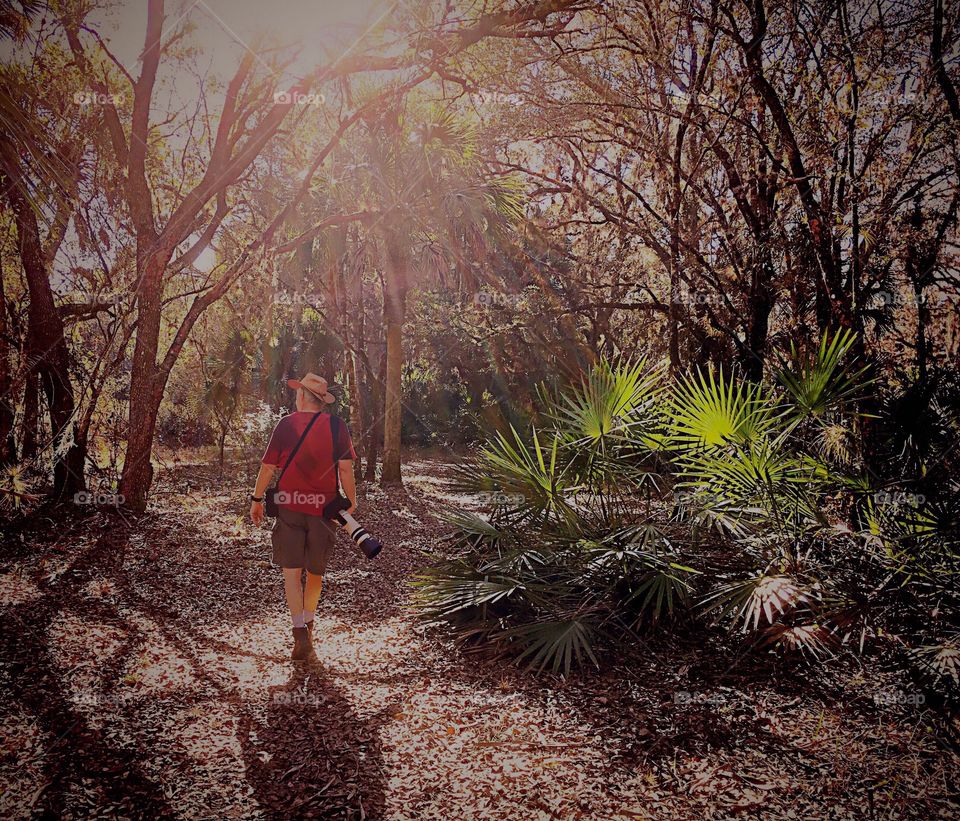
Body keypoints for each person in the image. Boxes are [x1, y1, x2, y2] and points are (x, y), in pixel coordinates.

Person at [249, 373, 357, 661]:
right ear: (321, 402)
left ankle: (299, 633)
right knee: (316, 572)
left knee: (291, 572)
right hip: (325, 510)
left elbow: (269, 467)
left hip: (290, 508)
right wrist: (352, 500)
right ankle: (309, 624)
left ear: (300, 397)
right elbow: (345, 469)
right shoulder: (337, 426)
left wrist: (256, 499)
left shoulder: (286, 424)